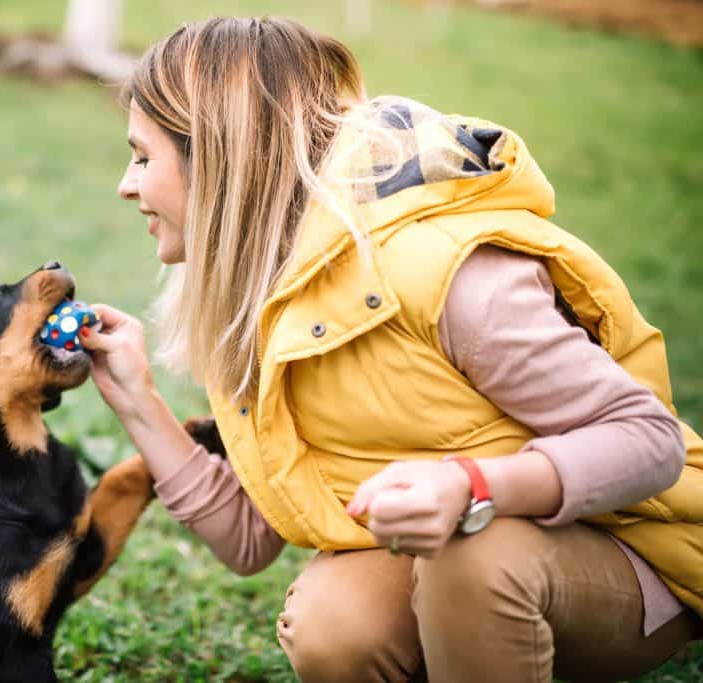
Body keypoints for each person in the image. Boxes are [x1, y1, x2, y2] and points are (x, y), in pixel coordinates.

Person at [78, 16, 703, 682]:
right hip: (463, 548)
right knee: (334, 623)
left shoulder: (447, 273)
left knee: (471, 549)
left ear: (224, 156)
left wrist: (472, 484)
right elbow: (249, 538)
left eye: (143, 157)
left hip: (636, 552)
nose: (126, 184)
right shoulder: (270, 301)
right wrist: (134, 396)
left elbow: (650, 441)